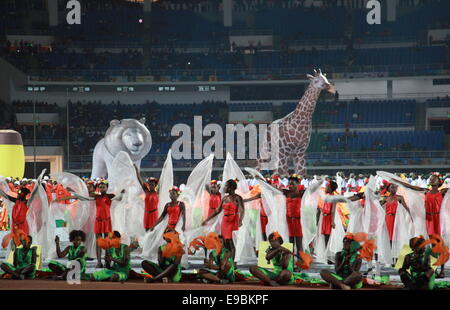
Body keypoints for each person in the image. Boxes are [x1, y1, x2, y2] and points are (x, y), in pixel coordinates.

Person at [66, 181, 125, 268]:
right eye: (100, 187)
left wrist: (122, 193)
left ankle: (107, 261)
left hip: (107, 222)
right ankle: (99, 262)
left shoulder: (110, 196)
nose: (101, 188)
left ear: (107, 188)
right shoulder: (96, 197)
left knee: (107, 243)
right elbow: (85, 198)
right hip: (98, 221)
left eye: (103, 187)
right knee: (99, 243)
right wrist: (74, 193)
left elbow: (119, 199)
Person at [202, 179, 245, 261]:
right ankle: (226, 260)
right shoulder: (224, 198)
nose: (224, 188)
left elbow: (242, 210)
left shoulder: (238, 198)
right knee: (225, 242)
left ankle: (232, 262)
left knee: (231, 242)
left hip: (233, 221)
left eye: (225, 186)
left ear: (231, 187)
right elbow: (217, 211)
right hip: (225, 222)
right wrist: (207, 220)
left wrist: (240, 220)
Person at [135, 165, 159, 231]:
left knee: (153, 231)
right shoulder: (146, 191)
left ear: (155, 185)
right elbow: (140, 181)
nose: (151, 186)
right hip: (147, 214)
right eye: (149, 184)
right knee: (146, 231)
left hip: (154, 214)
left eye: (152, 184)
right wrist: (137, 171)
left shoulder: (157, 193)